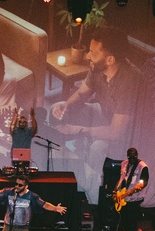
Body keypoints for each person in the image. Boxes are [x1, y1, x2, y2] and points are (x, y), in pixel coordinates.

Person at [50, 25, 143, 202]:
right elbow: (82, 93)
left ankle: (89, 197)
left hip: (127, 135)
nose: (87, 56)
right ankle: (60, 170)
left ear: (110, 59)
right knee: (57, 106)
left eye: (93, 52)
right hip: (105, 116)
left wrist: (78, 129)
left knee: (97, 147)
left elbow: (116, 131)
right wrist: (65, 107)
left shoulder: (130, 80)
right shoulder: (98, 68)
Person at [114, 147, 148, 231]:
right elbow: (121, 178)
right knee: (124, 217)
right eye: (130, 156)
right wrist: (115, 191)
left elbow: (143, 183)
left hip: (135, 197)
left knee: (132, 219)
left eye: (134, 156)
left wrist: (132, 191)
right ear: (127, 156)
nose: (132, 159)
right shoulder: (124, 164)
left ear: (137, 155)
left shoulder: (143, 167)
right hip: (123, 196)